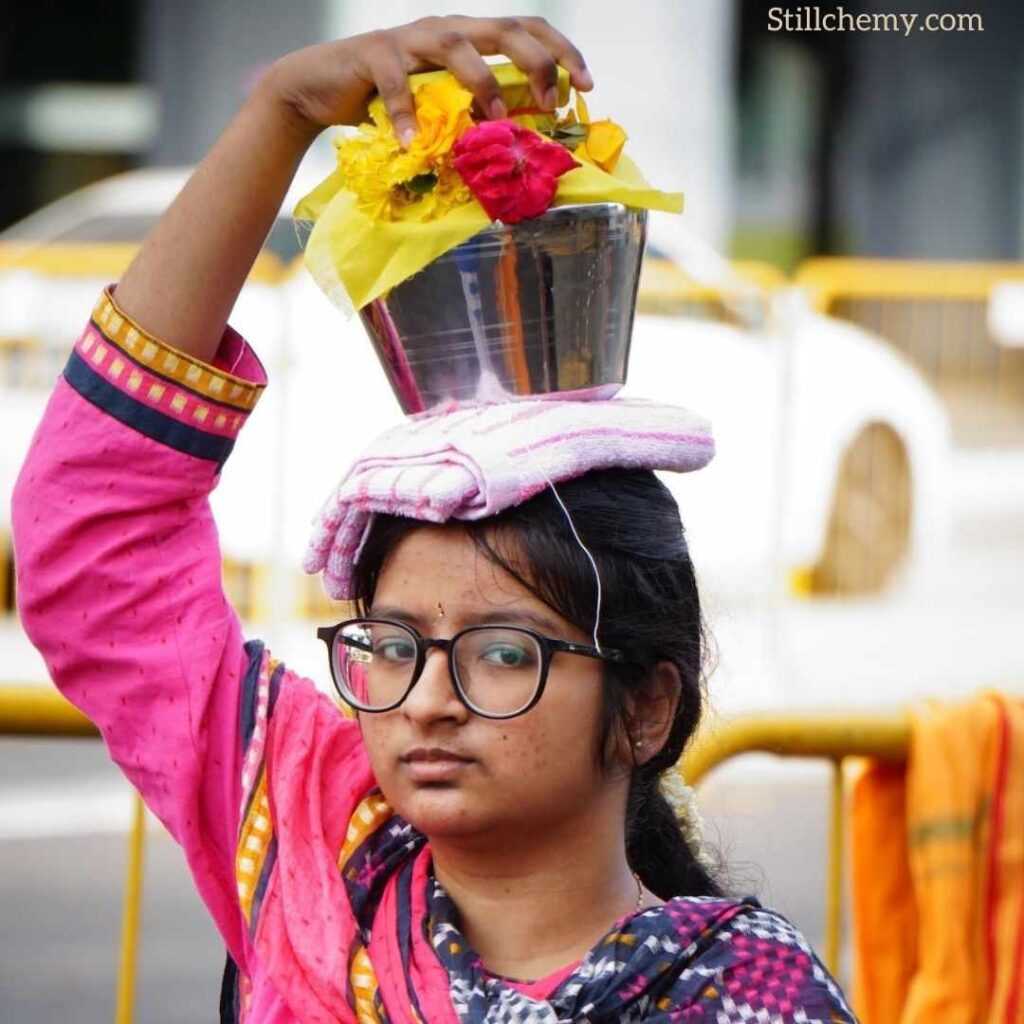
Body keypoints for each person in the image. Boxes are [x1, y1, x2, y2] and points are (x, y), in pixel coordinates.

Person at [12, 14, 857, 1023]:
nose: (425, 702)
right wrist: (278, 118)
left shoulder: (740, 995)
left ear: (644, 707)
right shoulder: (317, 838)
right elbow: (95, 527)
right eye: (391, 644)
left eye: (502, 653)